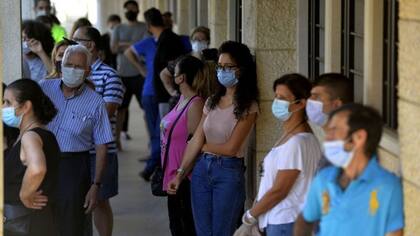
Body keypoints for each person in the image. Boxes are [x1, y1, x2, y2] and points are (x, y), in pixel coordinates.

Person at [167, 41, 260, 236]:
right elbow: (196, 138)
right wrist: (180, 173)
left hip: (228, 171)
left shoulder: (248, 105)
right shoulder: (212, 101)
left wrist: (203, 146)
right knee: (202, 232)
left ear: (241, 70)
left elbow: (231, 148)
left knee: (221, 232)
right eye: (220, 67)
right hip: (201, 171)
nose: (222, 71)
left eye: (228, 67)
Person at [294, 104, 404, 236]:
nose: (327, 138)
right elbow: (306, 219)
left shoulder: (388, 186)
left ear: (359, 137)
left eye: (334, 130)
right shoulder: (324, 178)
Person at [39, 45, 114, 236]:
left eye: (79, 66)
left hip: (72, 168)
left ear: (87, 71)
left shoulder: (96, 102)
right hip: (40, 162)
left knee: (70, 225)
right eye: (69, 64)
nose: (72, 69)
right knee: (40, 221)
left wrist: (95, 186)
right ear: (60, 64)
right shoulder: (43, 89)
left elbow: (102, 146)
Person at [235, 74, 322, 236]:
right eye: (276, 96)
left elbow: (280, 190)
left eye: (282, 98)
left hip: (286, 223)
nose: (277, 102)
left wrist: (250, 217)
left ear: (300, 104)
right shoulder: (294, 137)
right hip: (283, 222)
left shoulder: (297, 143)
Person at [73, 26, 125, 236]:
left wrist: (75, 113)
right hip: (76, 150)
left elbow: (106, 113)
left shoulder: (109, 76)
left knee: (100, 200)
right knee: (77, 201)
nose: (71, 44)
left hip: (101, 150)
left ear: (90, 45)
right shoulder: (72, 74)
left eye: (76, 40)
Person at [162, 56, 216, 236]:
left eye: (175, 71)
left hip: (186, 177)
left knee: (185, 228)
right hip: (173, 175)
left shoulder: (195, 104)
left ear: (181, 78)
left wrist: (181, 173)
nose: (172, 74)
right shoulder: (182, 99)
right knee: (176, 226)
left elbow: (195, 142)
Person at [3, 79, 60, 236]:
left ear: (26, 107)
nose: (3, 107)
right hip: (34, 221)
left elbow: (37, 168)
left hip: (25, 223)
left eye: (7, 102)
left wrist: (25, 194)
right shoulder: (37, 134)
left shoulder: (30, 137)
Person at [111, 0, 148, 148]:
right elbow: (113, 48)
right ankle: (117, 140)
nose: (131, 11)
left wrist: (123, 44)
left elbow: (144, 47)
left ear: (138, 11)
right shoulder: (118, 28)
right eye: (128, 9)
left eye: (133, 9)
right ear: (125, 11)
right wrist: (134, 44)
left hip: (140, 74)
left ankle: (152, 142)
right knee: (121, 109)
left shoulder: (144, 27)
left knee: (146, 108)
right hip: (123, 74)